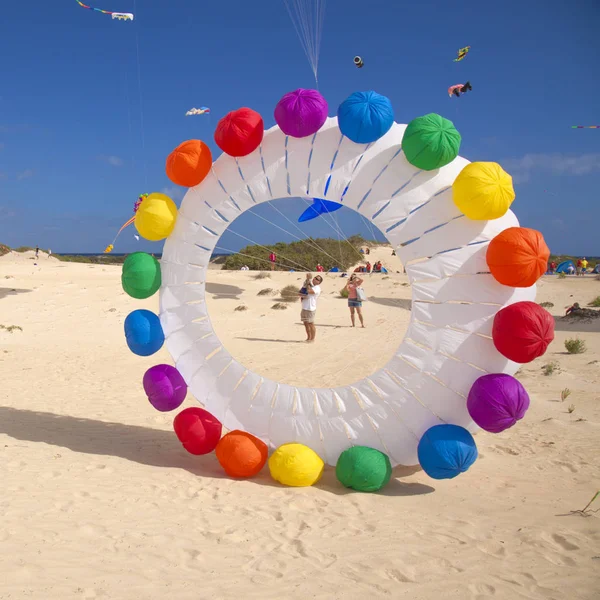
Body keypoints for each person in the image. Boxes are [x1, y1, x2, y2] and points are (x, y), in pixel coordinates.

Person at [299, 273, 322, 342]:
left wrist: (308, 281)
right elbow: (301, 292)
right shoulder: (309, 285)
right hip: (304, 307)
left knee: (311, 324)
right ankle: (308, 337)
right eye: (315, 278)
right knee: (305, 324)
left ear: (319, 282)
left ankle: (312, 338)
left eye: (317, 279)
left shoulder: (317, 288)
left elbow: (309, 291)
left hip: (310, 308)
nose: (315, 279)